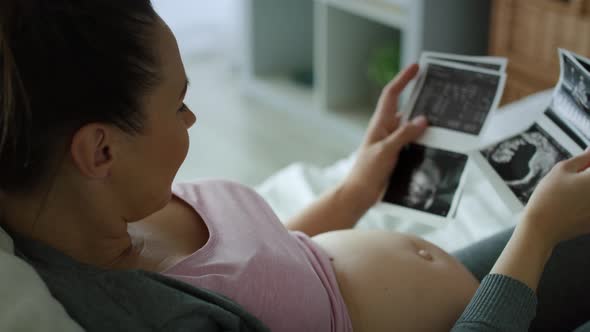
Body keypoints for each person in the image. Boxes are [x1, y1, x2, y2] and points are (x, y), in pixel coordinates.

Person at [2, 1, 590, 332]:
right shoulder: (161, 323)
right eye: (178, 103)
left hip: (469, 283)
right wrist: (536, 236)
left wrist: (357, 187)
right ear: (100, 151)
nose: (192, 120)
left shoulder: (116, 211)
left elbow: (267, 265)